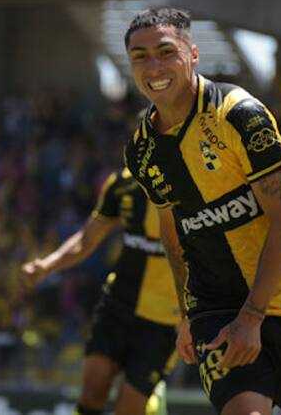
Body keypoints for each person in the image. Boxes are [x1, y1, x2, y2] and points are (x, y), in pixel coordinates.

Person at [122, 7, 281, 415]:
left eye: (166, 52)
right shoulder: (142, 151)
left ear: (193, 54)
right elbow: (172, 233)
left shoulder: (240, 115)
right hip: (215, 304)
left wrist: (252, 318)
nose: (154, 67)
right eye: (140, 57)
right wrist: (187, 315)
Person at [23, 168, 179, 415]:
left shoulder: (192, 182)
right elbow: (87, 239)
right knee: (92, 391)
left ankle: (151, 402)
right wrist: (47, 266)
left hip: (164, 320)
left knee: (128, 409)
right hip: (118, 304)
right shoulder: (122, 183)